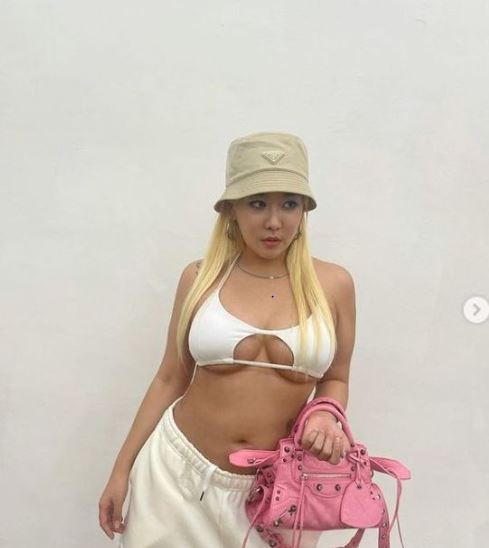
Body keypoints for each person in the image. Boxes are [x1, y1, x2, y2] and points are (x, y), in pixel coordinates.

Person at [98, 131, 356, 547]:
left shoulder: (334, 285)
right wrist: (120, 470)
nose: (274, 222)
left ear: (304, 209)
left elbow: (336, 377)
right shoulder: (200, 278)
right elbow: (169, 378)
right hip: (176, 476)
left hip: (274, 493)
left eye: (289, 204)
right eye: (257, 203)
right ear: (231, 209)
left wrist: (326, 415)